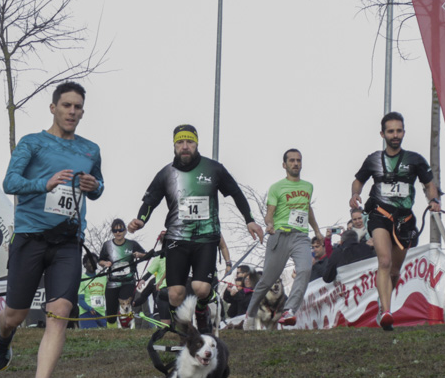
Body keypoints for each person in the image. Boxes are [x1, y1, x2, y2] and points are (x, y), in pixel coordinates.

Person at [0, 81, 104, 378]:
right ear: (53, 107)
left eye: (78, 107)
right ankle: (3, 337)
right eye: (67, 105)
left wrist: (93, 186)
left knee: (59, 314)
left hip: (69, 242)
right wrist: (46, 183)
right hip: (31, 238)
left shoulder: (90, 149)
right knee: (16, 315)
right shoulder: (33, 143)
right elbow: (10, 182)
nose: (73, 112)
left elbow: (98, 187)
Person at [128, 124, 264, 333]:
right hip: (176, 239)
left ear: (196, 144)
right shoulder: (166, 173)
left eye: (189, 142)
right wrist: (140, 220)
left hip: (206, 238)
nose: (185, 146)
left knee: (202, 289)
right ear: (174, 146)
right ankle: (181, 329)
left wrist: (249, 219)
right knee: (174, 294)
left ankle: (201, 312)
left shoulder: (213, 169)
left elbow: (236, 193)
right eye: (180, 142)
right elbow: (150, 200)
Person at [351, 112, 441, 330]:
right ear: (383, 133)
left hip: (405, 220)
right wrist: (355, 195)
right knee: (384, 261)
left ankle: (383, 309)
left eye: (399, 130)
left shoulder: (415, 159)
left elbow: (430, 185)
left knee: (394, 271)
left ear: (403, 132)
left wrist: (434, 199)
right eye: (391, 131)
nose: (395, 135)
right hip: (379, 215)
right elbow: (358, 181)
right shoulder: (373, 159)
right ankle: (388, 311)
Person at [245, 149, 324, 326]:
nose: (296, 163)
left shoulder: (308, 186)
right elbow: (269, 213)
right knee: (267, 280)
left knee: (304, 269)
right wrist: (269, 224)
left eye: (298, 160)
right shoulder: (276, 187)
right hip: (280, 235)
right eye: (292, 161)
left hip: (300, 236)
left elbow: (307, 209)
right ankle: (249, 314)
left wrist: (317, 230)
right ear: (284, 165)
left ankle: (289, 310)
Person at [98, 218, 147, 328]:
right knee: (111, 315)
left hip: (128, 282)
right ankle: (112, 334)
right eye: (115, 231)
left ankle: (128, 331)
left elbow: (146, 255)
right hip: (112, 283)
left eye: (120, 230)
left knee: (125, 306)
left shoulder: (132, 244)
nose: (118, 233)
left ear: (125, 231)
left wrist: (139, 255)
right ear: (112, 232)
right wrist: (105, 263)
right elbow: (100, 260)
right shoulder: (107, 245)